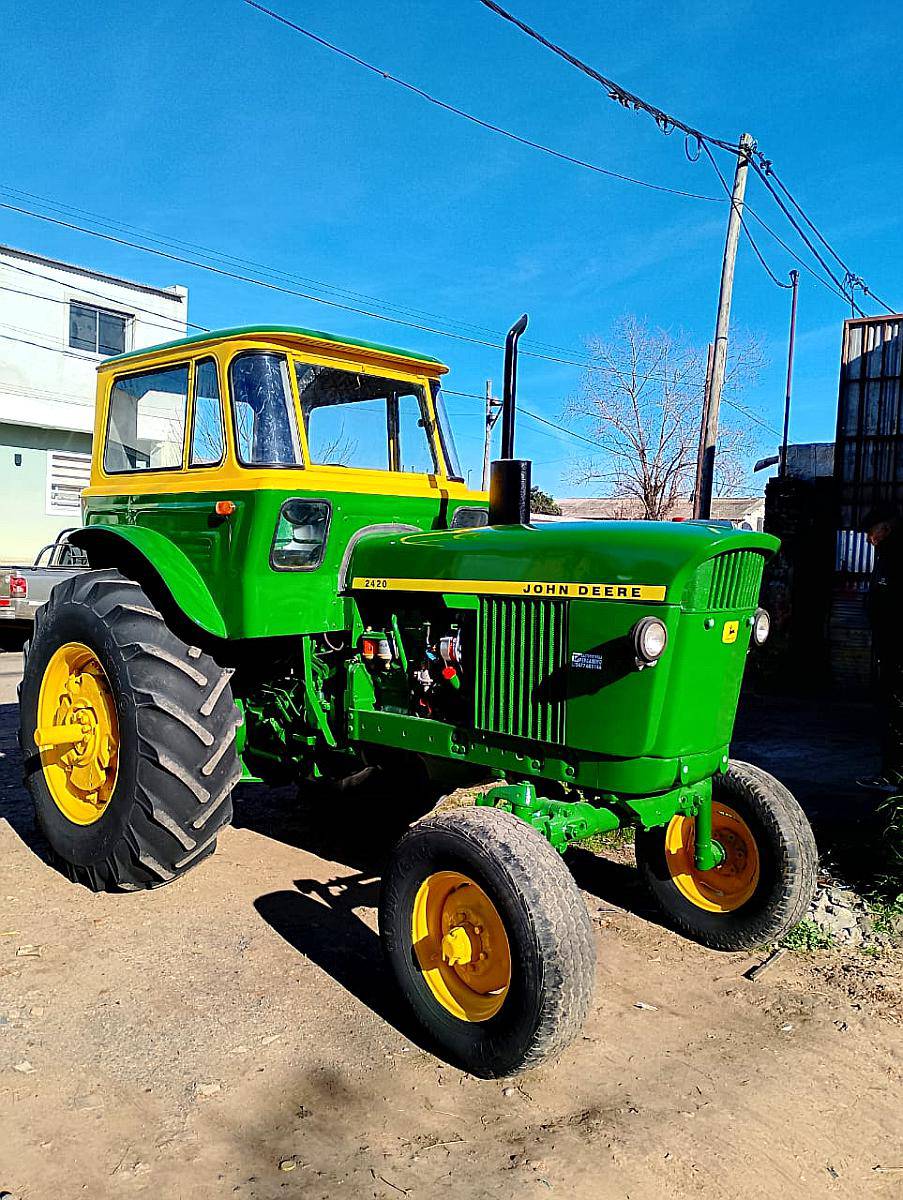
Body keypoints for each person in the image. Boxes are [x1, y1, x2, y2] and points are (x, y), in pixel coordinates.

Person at [857, 504, 903, 793]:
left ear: (885, 528)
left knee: (896, 712)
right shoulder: (887, 555)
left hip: (896, 650)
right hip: (889, 648)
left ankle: (894, 775)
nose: (868, 539)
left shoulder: (896, 556)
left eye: (871, 532)